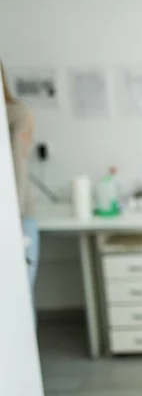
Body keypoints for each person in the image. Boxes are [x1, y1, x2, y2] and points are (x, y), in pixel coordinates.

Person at [2, 61, 39, 312]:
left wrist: (12, 220)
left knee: (19, 298)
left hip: (19, 217)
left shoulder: (16, 113)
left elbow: (16, 168)